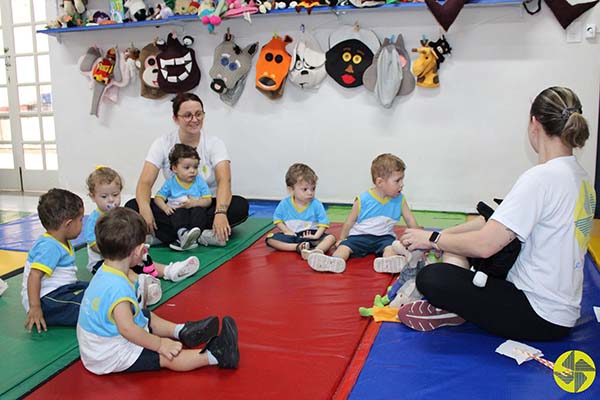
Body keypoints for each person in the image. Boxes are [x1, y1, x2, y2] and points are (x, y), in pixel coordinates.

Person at [399, 86, 596, 341]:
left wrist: (432, 239)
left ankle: (452, 311)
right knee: (467, 242)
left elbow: (484, 246)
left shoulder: (541, 178)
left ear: (534, 123)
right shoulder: (581, 178)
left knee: (432, 277)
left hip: (538, 314)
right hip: (563, 310)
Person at [77, 207, 240, 375]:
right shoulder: (118, 287)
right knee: (167, 357)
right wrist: (160, 344)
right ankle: (217, 355)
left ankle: (181, 331)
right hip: (108, 355)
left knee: (145, 315)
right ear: (139, 251)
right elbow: (127, 329)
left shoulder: (106, 271)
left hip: (96, 345)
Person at [126, 92, 249, 248]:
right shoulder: (162, 143)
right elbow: (145, 182)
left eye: (199, 114)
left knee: (240, 205)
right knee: (132, 206)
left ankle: (170, 235)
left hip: (205, 206)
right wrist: (144, 210)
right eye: (188, 115)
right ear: (176, 118)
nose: (194, 120)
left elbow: (224, 181)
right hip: (175, 207)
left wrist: (220, 213)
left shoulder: (214, 143)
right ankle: (200, 234)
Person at [307, 153, 420, 274]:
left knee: (390, 248)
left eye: (402, 179)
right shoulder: (363, 200)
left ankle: (388, 262)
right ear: (380, 182)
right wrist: (342, 238)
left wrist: (418, 238)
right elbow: (350, 221)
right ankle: (334, 261)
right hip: (359, 236)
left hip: (384, 237)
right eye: (397, 180)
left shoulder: (400, 200)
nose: (402, 184)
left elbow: (410, 220)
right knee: (344, 247)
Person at [85, 166, 200, 279]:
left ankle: (169, 271)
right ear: (93, 197)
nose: (111, 200)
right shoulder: (95, 220)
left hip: (125, 257)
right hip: (104, 263)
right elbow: (95, 246)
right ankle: (140, 285)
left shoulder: (121, 214)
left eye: (115, 195)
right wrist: (120, 251)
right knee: (125, 273)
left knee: (144, 260)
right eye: (104, 196)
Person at [22, 188, 87, 333]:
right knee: (88, 307)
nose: (82, 225)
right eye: (81, 220)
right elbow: (34, 275)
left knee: (96, 287)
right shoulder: (49, 246)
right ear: (68, 224)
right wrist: (35, 307)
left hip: (63, 290)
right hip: (47, 300)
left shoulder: (60, 240)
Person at [265, 163, 336, 259]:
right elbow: (277, 219)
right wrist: (286, 231)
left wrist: (316, 236)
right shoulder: (285, 203)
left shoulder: (316, 204)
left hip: (311, 235)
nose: (310, 193)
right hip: (292, 235)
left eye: (313, 188)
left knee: (330, 238)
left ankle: (317, 252)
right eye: (305, 189)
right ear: (291, 190)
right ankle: (297, 247)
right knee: (270, 239)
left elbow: (323, 223)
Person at [153, 144, 214, 251]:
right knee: (178, 213)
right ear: (174, 168)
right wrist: (165, 208)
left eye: (195, 167)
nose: (192, 171)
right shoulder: (170, 183)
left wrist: (194, 203)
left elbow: (208, 201)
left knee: (199, 211)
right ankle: (183, 234)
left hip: (194, 211)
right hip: (177, 213)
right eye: (187, 168)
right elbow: (158, 198)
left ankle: (195, 235)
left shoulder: (199, 181)